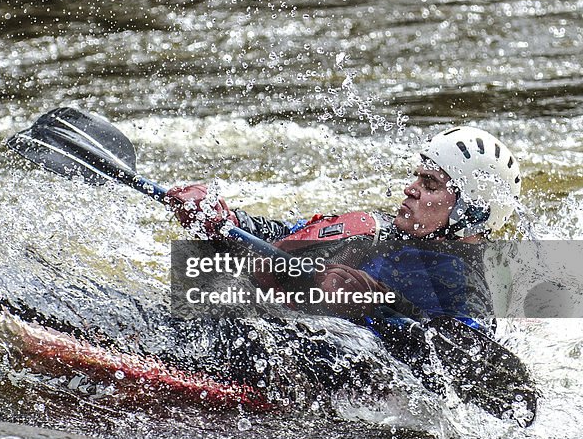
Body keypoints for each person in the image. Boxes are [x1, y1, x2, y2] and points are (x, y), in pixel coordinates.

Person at [166, 127, 523, 328]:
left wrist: (382, 304)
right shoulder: (372, 229)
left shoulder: (465, 287)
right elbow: (278, 236)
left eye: (430, 185)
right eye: (417, 177)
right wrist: (221, 220)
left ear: (470, 212)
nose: (410, 189)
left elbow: (493, 385)